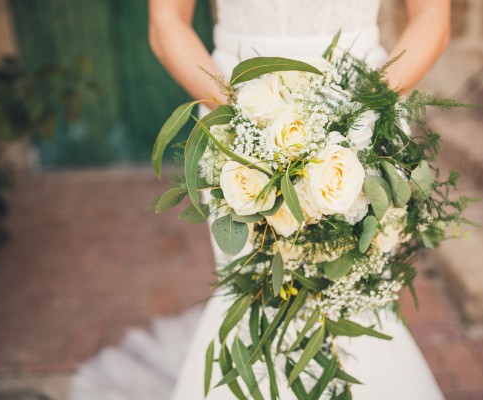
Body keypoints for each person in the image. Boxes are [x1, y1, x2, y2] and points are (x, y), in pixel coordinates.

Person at [148, 1, 450, 398]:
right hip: (239, 124)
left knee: (354, 299)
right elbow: (166, 22)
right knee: (255, 294)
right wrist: (240, 118)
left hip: (362, 118)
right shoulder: (239, 123)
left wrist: (361, 110)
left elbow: (432, 19)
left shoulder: (363, 115)